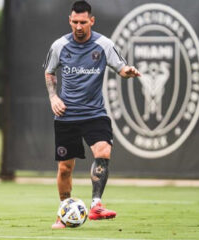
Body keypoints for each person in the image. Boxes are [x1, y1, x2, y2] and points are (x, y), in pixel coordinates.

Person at [43, 1, 141, 229]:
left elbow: (121, 67)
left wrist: (129, 72)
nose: (78, 26)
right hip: (67, 115)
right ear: (70, 21)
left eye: (83, 22)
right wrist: (53, 97)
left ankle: (96, 204)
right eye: (75, 22)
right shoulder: (59, 46)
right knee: (65, 168)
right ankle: (64, 212)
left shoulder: (104, 44)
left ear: (91, 21)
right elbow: (49, 72)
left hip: (94, 113)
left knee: (103, 151)